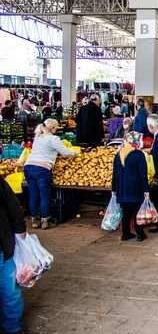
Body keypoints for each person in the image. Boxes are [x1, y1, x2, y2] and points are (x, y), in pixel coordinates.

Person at [24, 119, 80, 230]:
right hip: (42, 168)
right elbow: (65, 152)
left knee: (33, 195)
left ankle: (34, 221)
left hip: (28, 167)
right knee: (44, 196)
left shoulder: (38, 137)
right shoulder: (53, 139)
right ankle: (45, 221)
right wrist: (75, 152)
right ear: (52, 128)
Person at [0, 176, 27, 334]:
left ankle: (12, 326)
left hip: (3, 245)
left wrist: (20, 228)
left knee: (9, 289)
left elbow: (13, 205)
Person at [111, 132, 149, 242]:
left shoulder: (118, 155)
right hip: (135, 188)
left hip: (122, 188)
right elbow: (143, 175)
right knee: (137, 211)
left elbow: (114, 175)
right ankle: (140, 234)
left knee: (126, 212)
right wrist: (146, 190)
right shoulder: (139, 155)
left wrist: (114, 189)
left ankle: (125, 234)